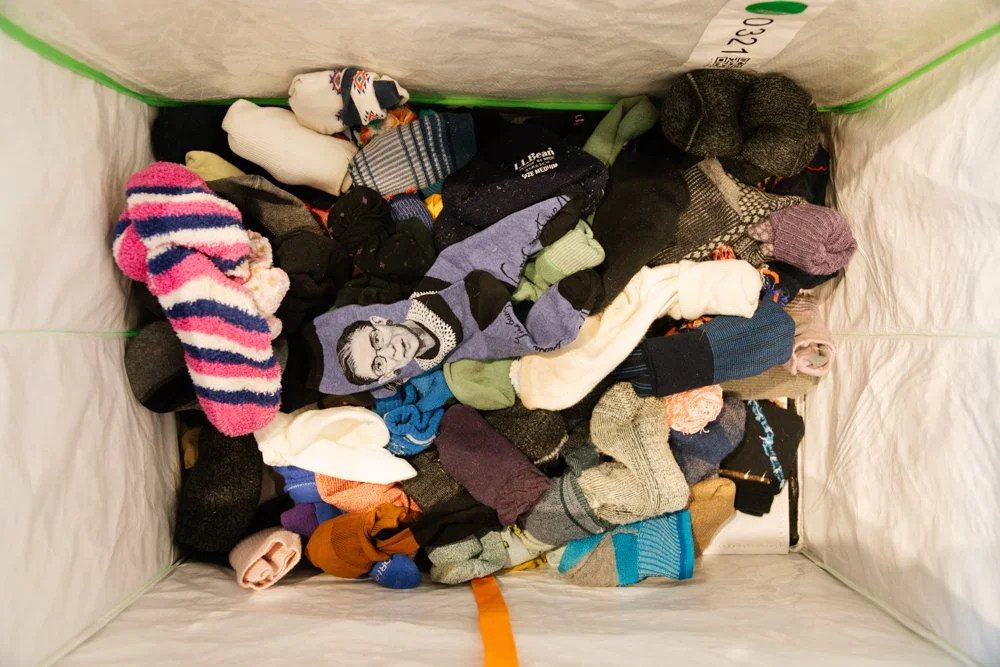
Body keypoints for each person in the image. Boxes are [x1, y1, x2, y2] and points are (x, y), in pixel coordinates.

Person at [305, 196, 603, 395]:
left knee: (471, 256)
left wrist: (542, 221)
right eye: (378, 364)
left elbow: (475, 253)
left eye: (376, 340)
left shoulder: (434, 286)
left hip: (451, 291)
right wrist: (568, 302)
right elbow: (518, 342)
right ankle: (568, 297)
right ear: (387, 377)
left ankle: (547, 228)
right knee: (526, 342)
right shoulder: (420, 364)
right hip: (470, 334)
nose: (390, 351)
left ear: (379, 320)